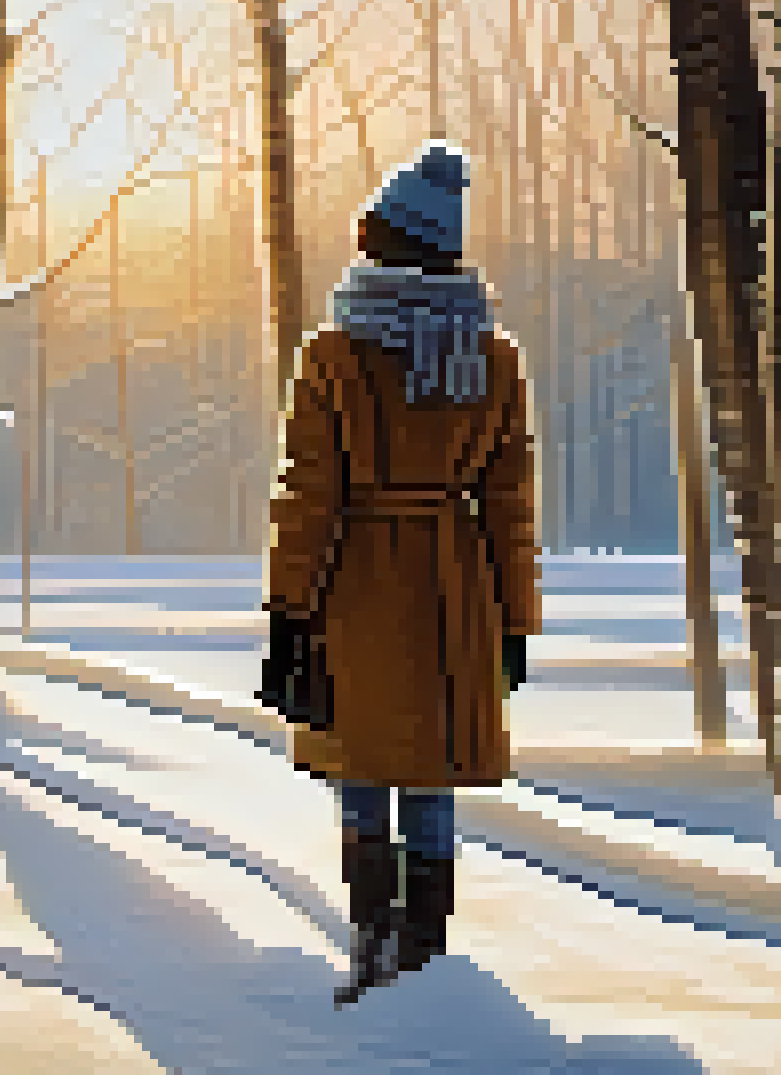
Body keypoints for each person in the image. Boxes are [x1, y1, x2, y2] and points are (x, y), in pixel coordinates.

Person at [260, 140, 539, 1005]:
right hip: (457, 589)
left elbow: (308, 495)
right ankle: (424, 958)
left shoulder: (334, 354)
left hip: (355, 585)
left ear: (390, 240)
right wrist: (514, 619)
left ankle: (371, 946)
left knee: (363, 768)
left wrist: (288, 611)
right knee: (431, 773)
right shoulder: (491, 358)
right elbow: (510, 500)